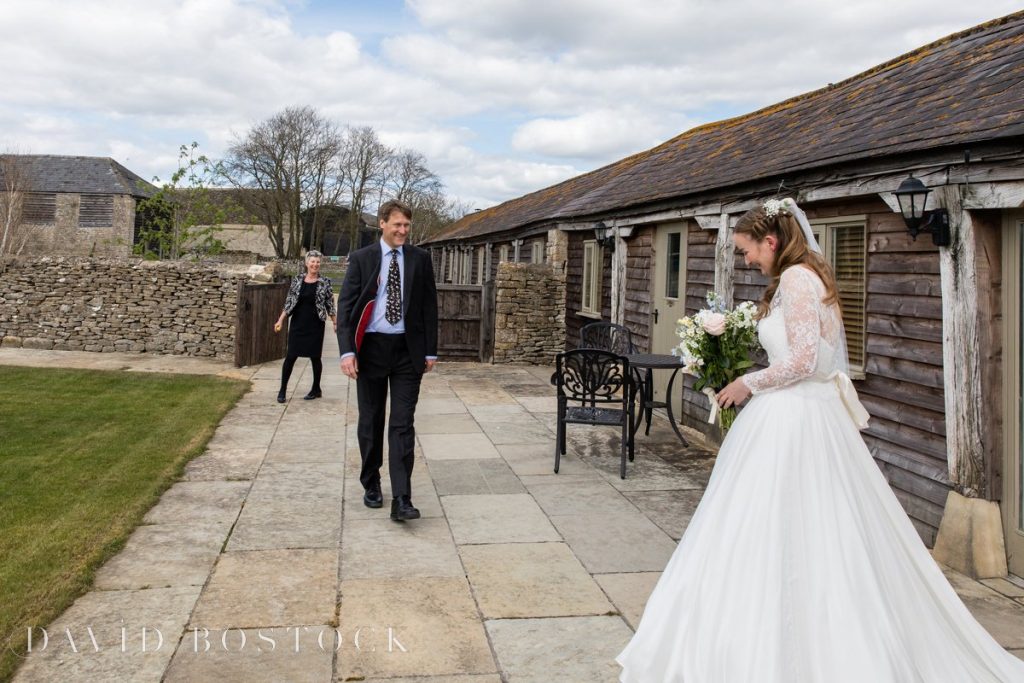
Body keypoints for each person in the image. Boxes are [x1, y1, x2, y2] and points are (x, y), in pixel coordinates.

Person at [616, 198, 1024, 682]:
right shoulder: (805, 277)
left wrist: (750, 382)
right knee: (796, 522)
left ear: (771, 241)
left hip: (797, 420)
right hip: (800, 413)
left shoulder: (796, 279)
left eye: (749, 250)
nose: (748, 260)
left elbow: (807, 361)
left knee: (783, 524)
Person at [337, 199, 438, 522]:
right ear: (382, 223)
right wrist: (347, 351)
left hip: (408, 352)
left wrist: (430, 350)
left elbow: (429, 307)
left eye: (407, 225)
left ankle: (402, 498)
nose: (403, 231)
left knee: (402, 424)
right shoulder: (362, 259)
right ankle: (371, 482)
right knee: (371, 421)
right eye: (397, 225)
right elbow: (346, 308)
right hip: (371, 351)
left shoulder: (420, 259)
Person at [273, 250, 337, 403]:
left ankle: (316, 389)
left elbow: (330, 304)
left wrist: (335, 322)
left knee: (315, 357)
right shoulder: (297, 280)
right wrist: (280, 320)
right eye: (312, 262)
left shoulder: (325, 282)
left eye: (318, 262)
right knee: (290, 357)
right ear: (307, 263)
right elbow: (289, 302)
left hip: (316, 324)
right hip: (298, 323)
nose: (315, 264)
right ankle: (282, 390)